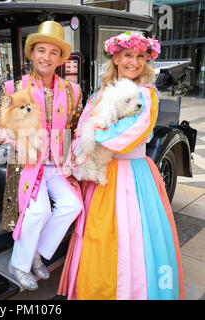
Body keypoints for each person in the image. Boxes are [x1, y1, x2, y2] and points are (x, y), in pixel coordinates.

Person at [57, 32, 185, 300]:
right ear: (116, 58)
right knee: (97, 239)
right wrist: (80, 150)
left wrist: (94, 138)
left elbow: (127, 136)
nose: (135, 62)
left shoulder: (146, 94)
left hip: (132, 176)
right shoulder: (100, 94)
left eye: (141, 56)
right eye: (128, 55)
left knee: (133, 241)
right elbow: (82, 130)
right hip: (101, 175)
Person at [0, 21, 83, 290]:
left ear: (61, 58)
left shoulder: (72, 91)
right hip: (28, 164)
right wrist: (17, 137)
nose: (46, 57)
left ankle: (38, 252)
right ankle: (18, 264)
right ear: (32, 53)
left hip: (59, 165)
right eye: (41, 50)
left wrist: (77, 151)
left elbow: (76, 127)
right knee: (39, 210)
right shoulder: (13, 87)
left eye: (54, 52)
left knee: (72, 206)